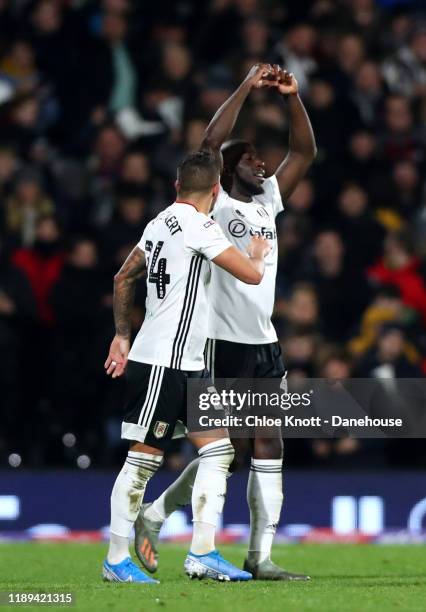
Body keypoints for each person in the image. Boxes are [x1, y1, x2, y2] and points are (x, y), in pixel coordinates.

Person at [135, 64, 316, 580]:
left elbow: (303, 153)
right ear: (227, 171)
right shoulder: (213, 208)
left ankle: (258, 557)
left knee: (269, 441)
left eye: (261, 157)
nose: (262, 163)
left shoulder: (268, 203)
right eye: (251, 158)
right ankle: (160, 514)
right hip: (219, 342)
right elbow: (211, 142)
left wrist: (292, 98)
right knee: (226, 450)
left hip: (265, 341)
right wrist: (248, 85)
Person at [103, 144, 271, 583]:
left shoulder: (158, 222)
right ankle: (116, 560)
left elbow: (124, 276)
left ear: (178, 186)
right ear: (216, 190)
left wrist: (122, 334)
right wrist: (257, 253)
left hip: (186, 361)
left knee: (218, 451)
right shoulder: (201, 226)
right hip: (164, 362)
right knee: (142, 461)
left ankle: (202, 552)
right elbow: (251, 276)